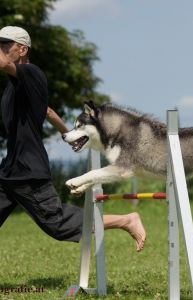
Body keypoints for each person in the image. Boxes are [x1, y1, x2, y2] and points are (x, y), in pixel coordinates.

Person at [0, 26, 146, 251]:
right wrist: (67, 133)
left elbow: (3, 64)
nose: (1, 49)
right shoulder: (15, 85)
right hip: (10, 169)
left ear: (22, 50)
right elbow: (46, 110)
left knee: (57, 223)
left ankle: (126, 220)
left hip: (27, 170)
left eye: (4, 45)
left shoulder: (31, 73)